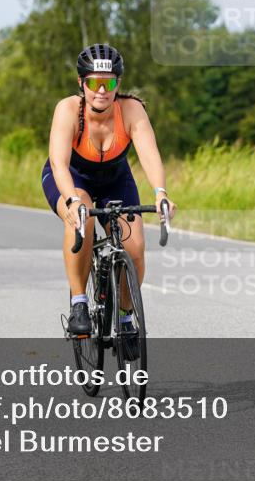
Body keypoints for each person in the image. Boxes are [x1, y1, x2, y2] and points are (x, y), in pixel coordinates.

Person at [42, 44, 177, 345]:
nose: (102, 90)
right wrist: (72, 200)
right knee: (82, 220)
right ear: (81, 83)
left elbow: (150, 154)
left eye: (110, 82)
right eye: (94, 83)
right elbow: (59, 163)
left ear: (118, 83)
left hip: (115, 180)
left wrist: (161, 193)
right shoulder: (68, 109)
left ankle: (126, 317)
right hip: (71, 178)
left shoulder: (131, 110)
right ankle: (79, 303)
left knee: (135, 247)